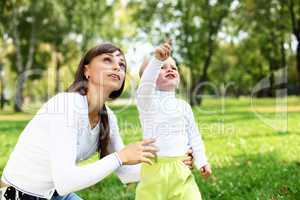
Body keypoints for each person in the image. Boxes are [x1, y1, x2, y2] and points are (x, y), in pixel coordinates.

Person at [0, 43, 193, 200]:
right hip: (17, 196)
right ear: (87, 71)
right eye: (107, 60)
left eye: (122, 64)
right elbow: (66, 181)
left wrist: (171, 162)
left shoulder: (108, 118)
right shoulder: (66, 105)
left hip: (56, 195)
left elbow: (126, 173)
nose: (117, 66)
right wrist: (120, 157)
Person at [135, 40, 212, 200]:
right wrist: (157, 60)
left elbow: (194, 136)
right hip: (154, 171)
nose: (169, 68)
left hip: (181, 167)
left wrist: (202, 160)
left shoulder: (184, 106)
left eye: (173, 67)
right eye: (162, 67)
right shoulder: (147, 103)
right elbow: (146, 86)